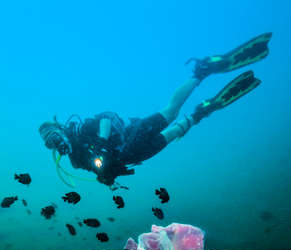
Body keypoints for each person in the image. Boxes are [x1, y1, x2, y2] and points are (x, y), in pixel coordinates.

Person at [39, 32, 272, 189]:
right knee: (170, 136)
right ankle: (200, 113)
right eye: (50, 143)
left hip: (132, 134)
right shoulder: (75, 161)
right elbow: (98, 169)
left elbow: (106, 119)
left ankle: (202, 71)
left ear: (60, 128)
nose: (55, 143)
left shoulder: (80, 129)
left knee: (170, 113)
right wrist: (107, 178)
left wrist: (101, 142)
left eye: (53, 136)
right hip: (135, 156)